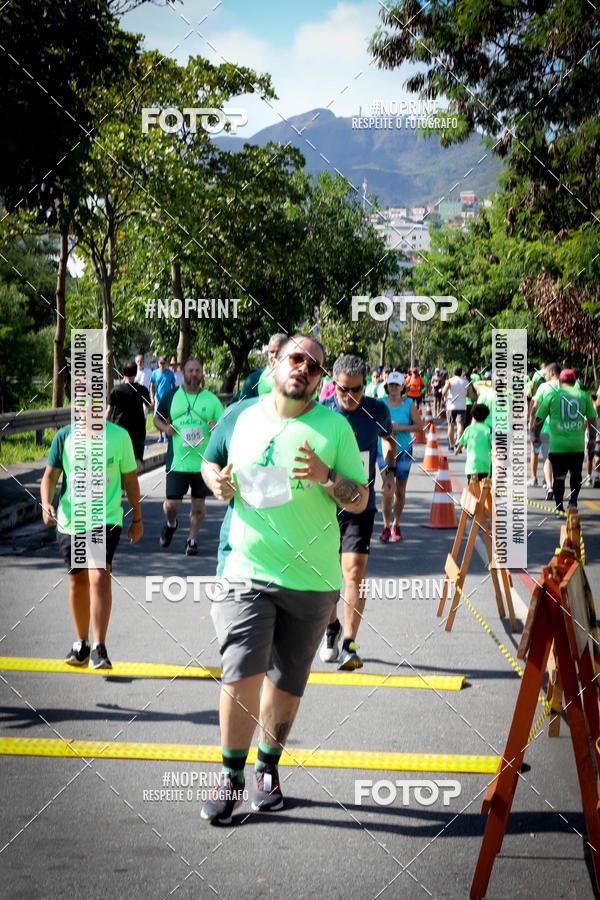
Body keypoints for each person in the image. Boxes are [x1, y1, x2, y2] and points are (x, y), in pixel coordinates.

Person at [199, 334, 368, 824]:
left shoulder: (334, 428)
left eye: (314, 367)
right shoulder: (241, 416)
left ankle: (266, 768)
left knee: (287, 681)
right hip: (246, 569)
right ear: (276, 363)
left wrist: (327, 476)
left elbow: (358, 500)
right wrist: (216, 480)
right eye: (297, 358)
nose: (304, 369)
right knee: (242, 670)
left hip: (313, 578)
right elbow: (211, 462)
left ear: (321, 381)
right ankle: (230, 776)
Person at [40, 408, 143, 669]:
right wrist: (45, 504)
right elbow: (50, 476)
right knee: (77, 580)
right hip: (71, 521)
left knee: (99, 574)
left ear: (106, 406)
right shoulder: (65, 437)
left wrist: (137, 519)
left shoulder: (119, 437)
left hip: (104, 519)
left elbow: (130, 480)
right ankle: (81, 643)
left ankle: (99, 646)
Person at [319, 354, 396, 669]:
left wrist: (388, 469)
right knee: (326, 578)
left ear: (366, 385)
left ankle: (349, 644)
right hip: (322, 507)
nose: (349, 397)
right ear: (332, 384)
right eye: (342, 390)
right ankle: (331, 626)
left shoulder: (377, 410)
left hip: (360, 505)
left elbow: (388, 441)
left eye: (357, 390)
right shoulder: (321, 413)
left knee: (353, 572)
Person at [154, 358, 224, 556]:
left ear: (202, 373)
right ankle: (171, 523)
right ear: (183, 373)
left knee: (199, 505)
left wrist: (216, 427)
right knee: (172, 505)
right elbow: (156, 419)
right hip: (178, 461)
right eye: (190, 370)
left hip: (203, 462)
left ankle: (191, 540)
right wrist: (166, 428)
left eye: (197, 370)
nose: (194, 374)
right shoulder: (171, 396)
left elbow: (223, 424)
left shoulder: (211, 399)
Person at [532, 368, 597, 513]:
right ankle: (573, 502)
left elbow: (538, 418)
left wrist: (536, 435)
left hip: (557, 446)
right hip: (577, 445)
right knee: (576, 475)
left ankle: (559, 507)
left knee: (559, 477)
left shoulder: (552, 395)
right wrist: (592, 438)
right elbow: (592, 419)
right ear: (574, 382)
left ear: (560, 382)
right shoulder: (583, 395)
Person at [378, 372, 424, 542]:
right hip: (383, 450)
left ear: (402, 387)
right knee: (387, 489)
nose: (394, 388)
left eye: (397, 385)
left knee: (401, 491)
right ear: (387, 386)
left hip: (403, 451)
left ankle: (395, 524)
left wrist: (399, 427)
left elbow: (420, 426)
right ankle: (385, 526)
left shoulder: (409, 404)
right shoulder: (380, 404)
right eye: (391, 385)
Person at [106, 360, 152, 467]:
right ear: (136, 374)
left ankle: (121, 482)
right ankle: (131, 481)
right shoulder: (141, 390)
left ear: (123, 374)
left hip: (119, 431)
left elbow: (108, 412)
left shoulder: (115, 391)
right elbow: (149, 406)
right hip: (138, 432)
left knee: (119, 461)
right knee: (136, 461)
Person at [528, 363, 559, 499]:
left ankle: (548, 484)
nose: (545, 375)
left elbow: (535, 408)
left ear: (551, 372)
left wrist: (531, 424)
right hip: (565, 429)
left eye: (546, 373)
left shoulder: (544, 387)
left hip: (545, 427)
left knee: (547, 457)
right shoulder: (570, 387)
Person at [238, 333, 288, 400]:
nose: (274, 356)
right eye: (272, 352)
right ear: (268, 353)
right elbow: (243, 405)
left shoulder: (298, 377)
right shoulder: (254, 378)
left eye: (279, 351)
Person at [455, 403, 491, 481]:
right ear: (486, 416)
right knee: (484, 488)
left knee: (472, 488)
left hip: (472, 465)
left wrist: (457, 451)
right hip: (485, 464)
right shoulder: (488, 429)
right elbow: (492, 444)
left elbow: (461, 443)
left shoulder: (469, 429)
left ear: (473, 416)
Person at [442, 365, 475, 451]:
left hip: (451, 406)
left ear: (453, 373)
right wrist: (465, 394)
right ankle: (458, 441)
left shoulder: (449, 381)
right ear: (461, 373)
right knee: (460, 425)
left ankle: (451, 444)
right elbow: (471, 395)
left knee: (451, 425)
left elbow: (443, 391)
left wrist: (446, 397)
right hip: (462, 406)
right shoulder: (466, 382)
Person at [150, 356, 176, 442]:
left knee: (167, 418)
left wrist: (174, 396)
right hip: (158, 399)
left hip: (168, 399)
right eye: (160, 363)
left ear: (166, 363)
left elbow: (173, 386)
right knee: (158, 418)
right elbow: (152, 386)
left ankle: (166, 435)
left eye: (164, 363)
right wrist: (152, 397)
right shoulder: (155, 373)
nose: (162, 365)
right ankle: (160, 436)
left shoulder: (170, 373)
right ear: (158, 363)